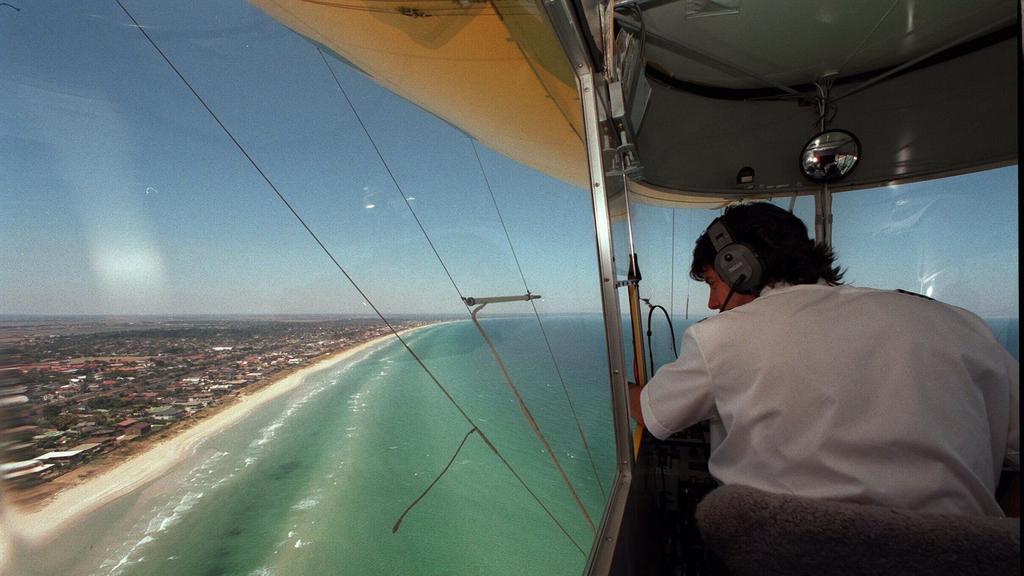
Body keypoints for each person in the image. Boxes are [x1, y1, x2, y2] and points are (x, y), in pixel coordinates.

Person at [629, 202, 1019, 517]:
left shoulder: (721, 336)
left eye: (714, 283)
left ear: (740, 265)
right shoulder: (961, 325)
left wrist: (617, 384)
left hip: (782, 554)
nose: (713, 303)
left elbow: (654, 415)